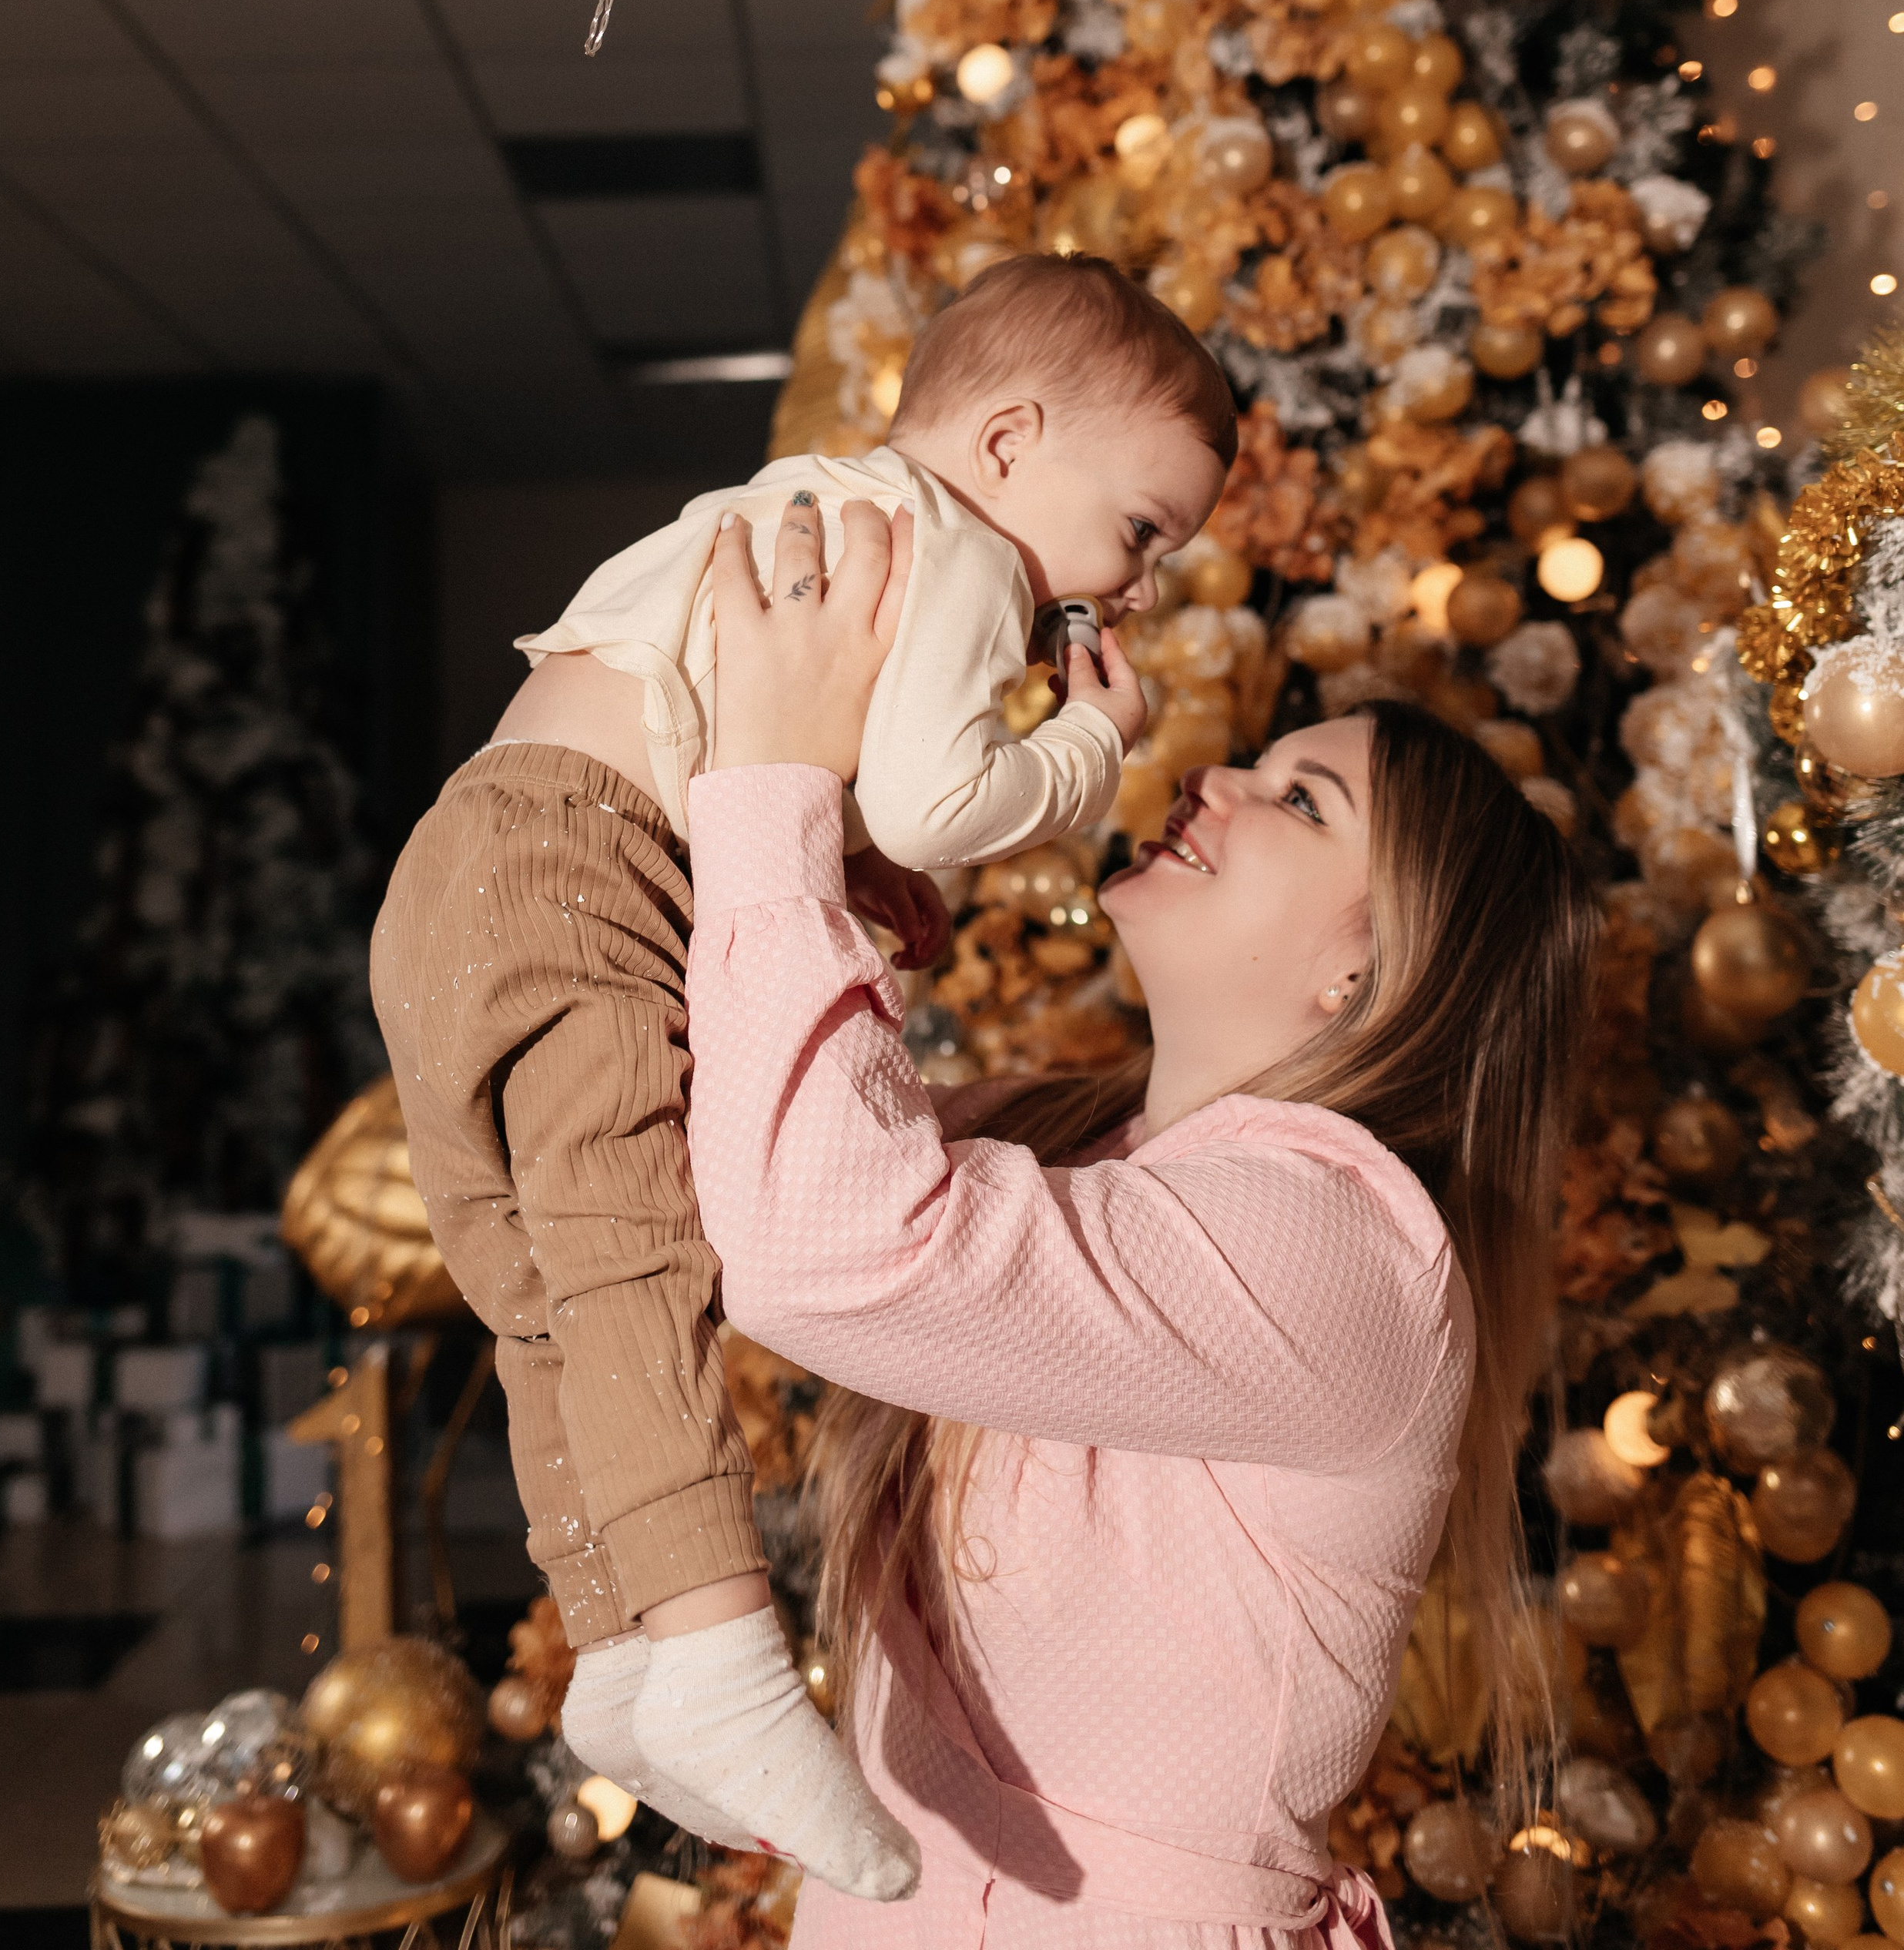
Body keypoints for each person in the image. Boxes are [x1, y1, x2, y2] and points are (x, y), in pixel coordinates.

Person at [369, 256, 1235, 1896]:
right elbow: (926, 800)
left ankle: (621, 1650)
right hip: (580, 874)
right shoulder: (957, 557)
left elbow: (784, 776)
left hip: (461, 864)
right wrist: (1082, 751)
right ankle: (714, 1656)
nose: (1124, 595)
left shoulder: (814, 505)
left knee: (549, 1295)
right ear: (1006, 441)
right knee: (630, 1271)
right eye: (1137, 532)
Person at [669, 492, 1593, 1945]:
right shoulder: (1085, 1143)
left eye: (1301, 802)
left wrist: (771, 784)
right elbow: (734, 1178)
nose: (1212, 780)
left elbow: (820, 1250)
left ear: (1369, 977)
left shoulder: (1349, 1250)